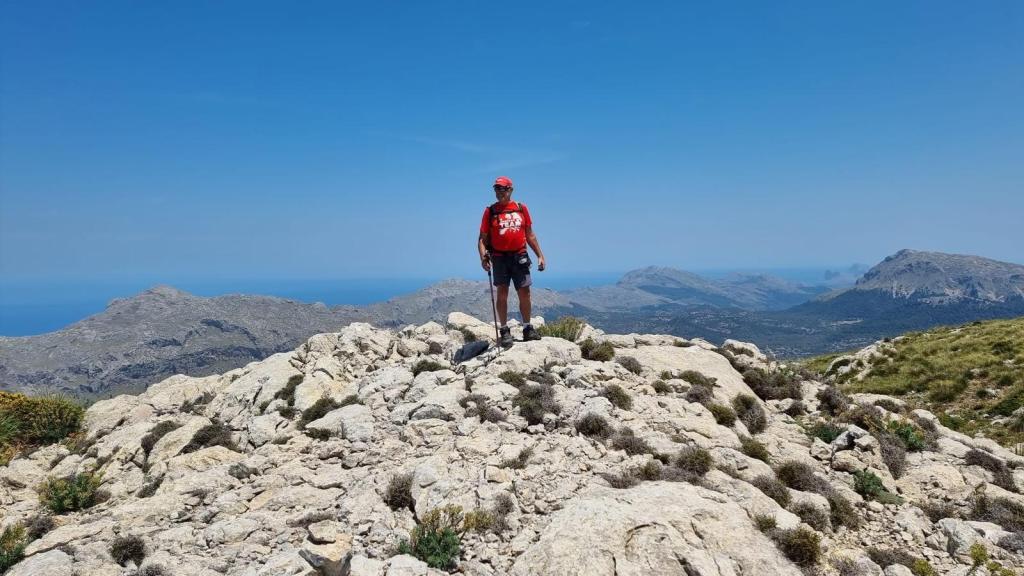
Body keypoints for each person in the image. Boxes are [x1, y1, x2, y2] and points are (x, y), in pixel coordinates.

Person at [478, 176, 546, 347]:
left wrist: (540, 255)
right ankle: (504, 330)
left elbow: (530, 234)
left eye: (503, 189)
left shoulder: (521, 208)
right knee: (502, 293)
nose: (499, 192)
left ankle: (527, 328)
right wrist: (483, 257)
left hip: (519, 255)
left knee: (525, 292)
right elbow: (482, 239)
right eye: (497, 189)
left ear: (510, 190)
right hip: (499, 257)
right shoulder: (490, 211)